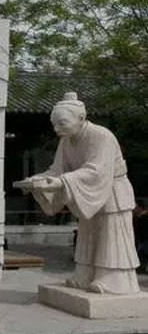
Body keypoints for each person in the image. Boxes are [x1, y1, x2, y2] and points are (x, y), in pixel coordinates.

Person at [24, 92, 139, 294]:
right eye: (54, 124)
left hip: (112, 191)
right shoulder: (66, 141)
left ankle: (112, 279)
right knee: (88, 234)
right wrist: (38, 180)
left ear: (81, 118)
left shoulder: (102, 136)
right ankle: (85, 274)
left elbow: (96, 171)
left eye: (62, 123)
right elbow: (57, 170)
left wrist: (62, 181)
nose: (56, 129)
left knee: (111, 235)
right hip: (87, 192)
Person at [134, 200, 148, 272]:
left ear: (140, 207)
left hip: (144, 240)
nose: (134, 209)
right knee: (141, 255)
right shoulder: (137, 217)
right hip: (140, 240)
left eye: (136, 207)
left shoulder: (144, 217)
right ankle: (142, 268)